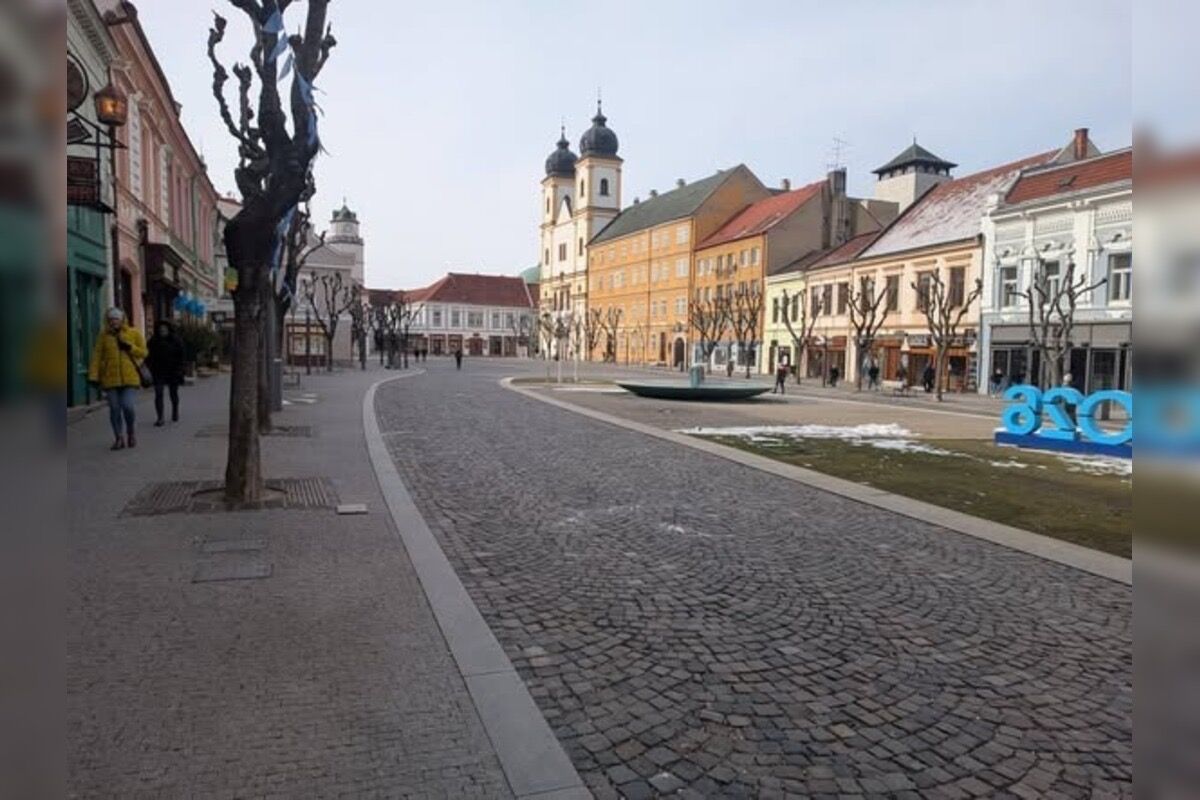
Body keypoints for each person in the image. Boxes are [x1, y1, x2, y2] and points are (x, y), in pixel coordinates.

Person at [88, 307, 147, 450]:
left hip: (130, 378)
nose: (113, 321)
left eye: (116, 319)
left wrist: (130, 347)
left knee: (127, 406)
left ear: (122, 319)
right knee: (114, 409)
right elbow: (97, 357)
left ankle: (131, 432)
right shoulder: (103, 336)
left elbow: (144, 353)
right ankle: (119, 438)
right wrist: (93, 376)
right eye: (111, 319)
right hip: (110, 379)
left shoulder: (133, 333)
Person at [146, 319, 186, 426]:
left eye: (164, 329)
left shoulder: (176, 341)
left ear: (169, 330)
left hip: (173, 371)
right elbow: (148, 356)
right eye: (160, 330)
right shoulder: (153, 341)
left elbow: (181, 356)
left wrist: (180, 370)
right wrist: (149, 368)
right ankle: (160, 417)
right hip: (158, 371)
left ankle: (175, 410)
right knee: (158, 393)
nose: (162, 331)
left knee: (173, 393)